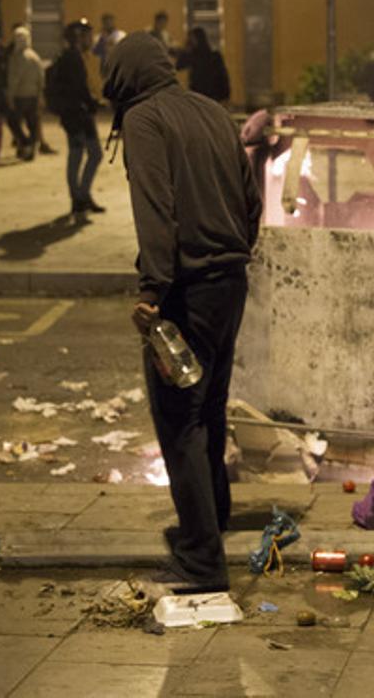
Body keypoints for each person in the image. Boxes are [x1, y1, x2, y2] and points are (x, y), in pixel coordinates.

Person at [102, 31, 261, 594]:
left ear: (124, 78)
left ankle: (200, 558)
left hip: (185, 291)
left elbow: (156, 207)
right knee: (209, 408)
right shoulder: (212, 111)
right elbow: (251, 195)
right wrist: (240, 246)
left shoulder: (145, 119)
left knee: (179, 421)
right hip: (229, 282)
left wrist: (152, 288)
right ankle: (211, 521)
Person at [50, 19, 104, 214]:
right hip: (76, 114)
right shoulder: (73, 57)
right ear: (80, 37)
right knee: (82, 154)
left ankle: (81, 196)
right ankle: (79, 197)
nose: (92, 39)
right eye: (89, 35)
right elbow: (79, 88)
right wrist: (93, 103)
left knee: (87, 154)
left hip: (77, 113)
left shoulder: (75, 56)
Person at [6, 25, 50, 160]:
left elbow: (14, 78)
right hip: (33, 95)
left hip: (20, 95)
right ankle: (29, 148)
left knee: (13, 121)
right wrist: (40, 95)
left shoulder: (17, 57)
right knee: (32, 124)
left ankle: (25, 144)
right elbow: (41, 77)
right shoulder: (35, 56)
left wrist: (10, 96)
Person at [175, 27, 230, 104]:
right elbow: (179, 66)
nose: (191, 42)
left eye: (192, 39)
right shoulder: (193, 55)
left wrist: (225, 94)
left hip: (211, 93)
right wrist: (186, 50)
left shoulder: (213, 56)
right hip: (199, 93)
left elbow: (222, 75)